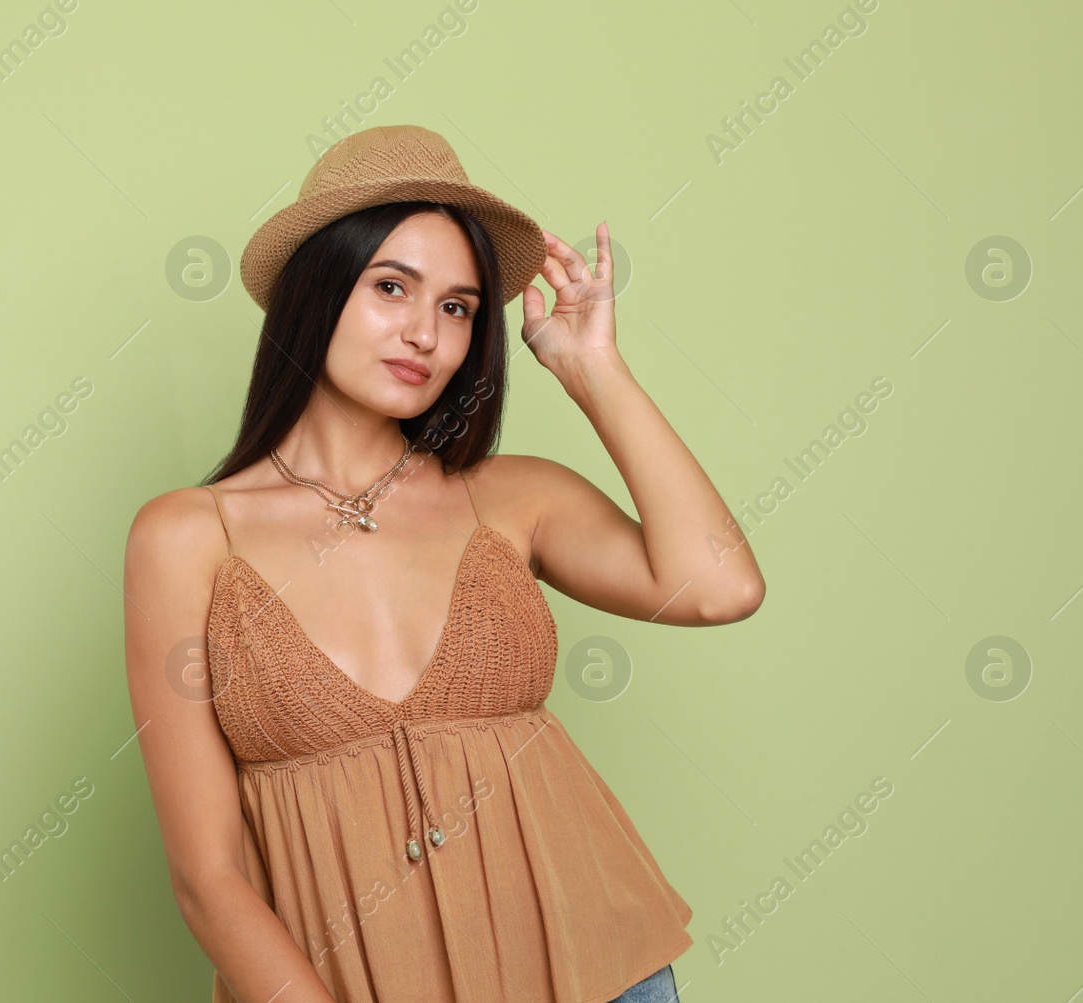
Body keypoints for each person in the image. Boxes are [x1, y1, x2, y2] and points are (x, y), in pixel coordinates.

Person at [123, 125, 764, 1003]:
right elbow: (208, 875)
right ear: (316, 291)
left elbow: (723, 586)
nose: (424, 332)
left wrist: (593, 367)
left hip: (598, 977)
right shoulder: (189, 537)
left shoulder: (510, 498)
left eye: (458, 307)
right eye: (392, 287)